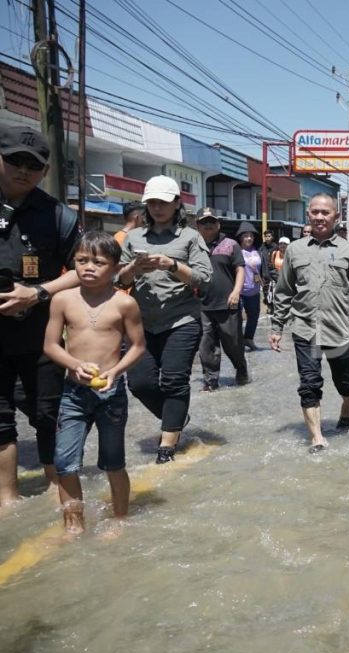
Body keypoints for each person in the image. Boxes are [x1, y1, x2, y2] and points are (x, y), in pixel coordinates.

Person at [0, 125, 81, 505]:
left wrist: (37, 292)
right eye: (14, 159)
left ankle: (56, 489)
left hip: (40, 334)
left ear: (44, 170)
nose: (23, 169)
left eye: (33, 164)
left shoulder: (58, 216)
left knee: (48, 412)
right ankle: (7, 499)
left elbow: (86, 268)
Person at [43, 231, 145, 534]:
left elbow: (139, 346)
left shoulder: (124, 303)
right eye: (82, 261)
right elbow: (50, 346)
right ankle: (74, 526)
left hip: (110, 392)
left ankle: (119, 520)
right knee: (64, 463)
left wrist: (116, 371)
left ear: (115, 268)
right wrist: (74, 365)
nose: (88, 267)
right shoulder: (62, 300)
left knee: (113, 462)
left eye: (98, 263)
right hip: (73, 392)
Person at [117, 175, 212, 464]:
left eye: (163, 202)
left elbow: (205, 280)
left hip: (181, 319)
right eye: (152, 202)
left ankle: (167, 448)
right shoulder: (134, 238)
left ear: (176, 204)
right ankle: (177, 416)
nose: (157, 207)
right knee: (140, 384)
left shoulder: (190, 237)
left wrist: (172, 265)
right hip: (141, 322)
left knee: (174, 381)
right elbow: (118, 281)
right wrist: (135, 267)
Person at [269, 194, 349, 452]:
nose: (320, 217)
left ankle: (347, 406)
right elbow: (284, 291)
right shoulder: (295, 250)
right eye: (315, 212)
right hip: (305, 328)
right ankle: (317, 438)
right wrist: (277, 327)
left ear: (336, 216)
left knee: (346, 382)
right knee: (309, 384)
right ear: (308, 214)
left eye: (325, 212)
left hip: (339, 327)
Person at [195, 208, 249, 391]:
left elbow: (240, 269)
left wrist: (236, 291)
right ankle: (210, 381)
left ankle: (241, 370)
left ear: (218, 224)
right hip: (202, 304)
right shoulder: (193, 245)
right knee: (206, 345)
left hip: (228, 303)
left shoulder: (230, 244)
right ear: (198, 225)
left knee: (233, 344)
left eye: (211, 221)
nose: (208, 225)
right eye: (204, 222)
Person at [236, 222, 263, 350]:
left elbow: (264, 269)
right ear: (240, 237)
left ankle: (248, 339)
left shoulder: (258, 252)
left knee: (253, 317)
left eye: (251, 236)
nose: (249, 238)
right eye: (246, 236)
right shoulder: (236, 251)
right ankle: (237, 342)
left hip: (255, 291)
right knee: (236, 319)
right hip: (239, 291)